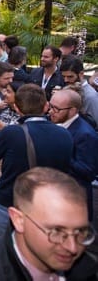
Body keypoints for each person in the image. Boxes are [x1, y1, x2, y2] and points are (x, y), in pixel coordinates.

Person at [0, 167, 98, 280]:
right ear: (18, 220)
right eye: (56, 231)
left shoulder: (87, 267)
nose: (72, 248)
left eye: (80, 232)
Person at [0, 84, 74, 248]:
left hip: (7, 204)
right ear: (46, 106)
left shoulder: (11, 132)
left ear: (16, 108)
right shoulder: (65, 134)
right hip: (44, 208)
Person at [49, 89, 98, 220]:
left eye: (56, 109)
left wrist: (61, 155)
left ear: (72, 110)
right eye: (50, 106)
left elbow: (88, 171)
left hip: (73, 200)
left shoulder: (85, 134)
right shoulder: (56, 123)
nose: (51, 111)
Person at [59, 56, 98, 124]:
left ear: (81, 74)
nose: (66, 80)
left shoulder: (90, 97)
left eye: (70, 77)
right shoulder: (66, 88)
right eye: (63, 76)